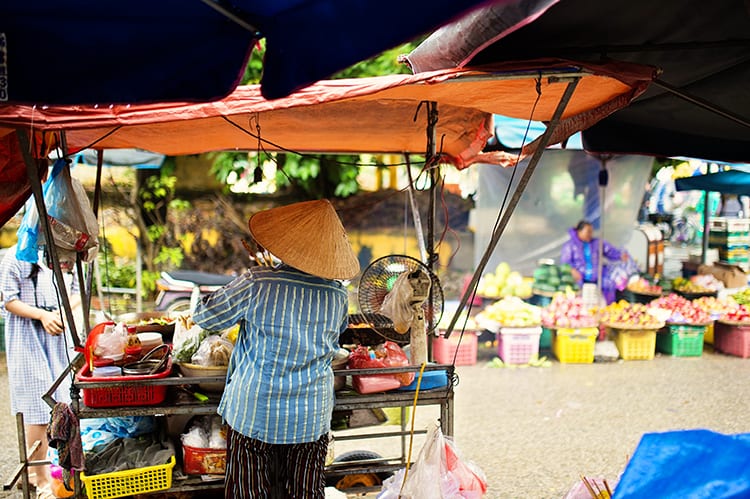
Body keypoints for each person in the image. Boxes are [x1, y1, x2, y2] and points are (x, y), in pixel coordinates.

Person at [192, 199, 359, 499]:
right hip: (310, 415)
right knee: (305, 494)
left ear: (287, 244)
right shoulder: (337, 295)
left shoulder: (257, 283)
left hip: (256, 412)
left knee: (249, 493)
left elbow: (204, 316)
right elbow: (336, 336)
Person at [0, 246, 78, 498]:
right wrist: (42, 315)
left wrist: (64, 314)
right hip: (27, 335)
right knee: (37, 406)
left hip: (57, 334)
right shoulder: (17, 255)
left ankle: (54, 469)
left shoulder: (65, 254)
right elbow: (8, 300)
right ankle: (37, 476)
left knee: (60, 402)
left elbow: (75, 292)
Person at [560, 221, 628, 303]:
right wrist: (572, 270)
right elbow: (565, 263)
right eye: (588, 231)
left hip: (596, 280)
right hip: (580, 281)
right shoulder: (570, 245)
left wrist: (619, 255)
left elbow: (609, 251)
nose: (590, 234)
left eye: (591, 231)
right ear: (579, 231)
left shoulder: (596, 243)